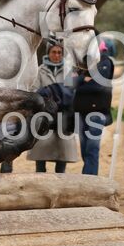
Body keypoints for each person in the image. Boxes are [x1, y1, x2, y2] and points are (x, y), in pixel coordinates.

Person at [27, 43, 78, 172]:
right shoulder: (40, 70)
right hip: (45, 115)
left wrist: (57, 93)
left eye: (59, 52)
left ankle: (60, 178)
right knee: (40, 153)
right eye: (53, 52)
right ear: (48, 53)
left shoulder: (69, 71)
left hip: (64, 116)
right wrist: (50, 94)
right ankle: (40, 177)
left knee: (62, 154)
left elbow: (72, 91)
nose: (56, 55)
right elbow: (34, 90)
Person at [73, 39, 115, 175]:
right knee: (84, 148)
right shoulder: (81, 63)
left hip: (97, 112)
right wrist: (82, 80)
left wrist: (79, 84)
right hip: (81, 111)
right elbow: (68, 83)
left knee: (92, 148)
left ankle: (89, 178)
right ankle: (88, 176)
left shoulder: (105, 62)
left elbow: (98, 86)